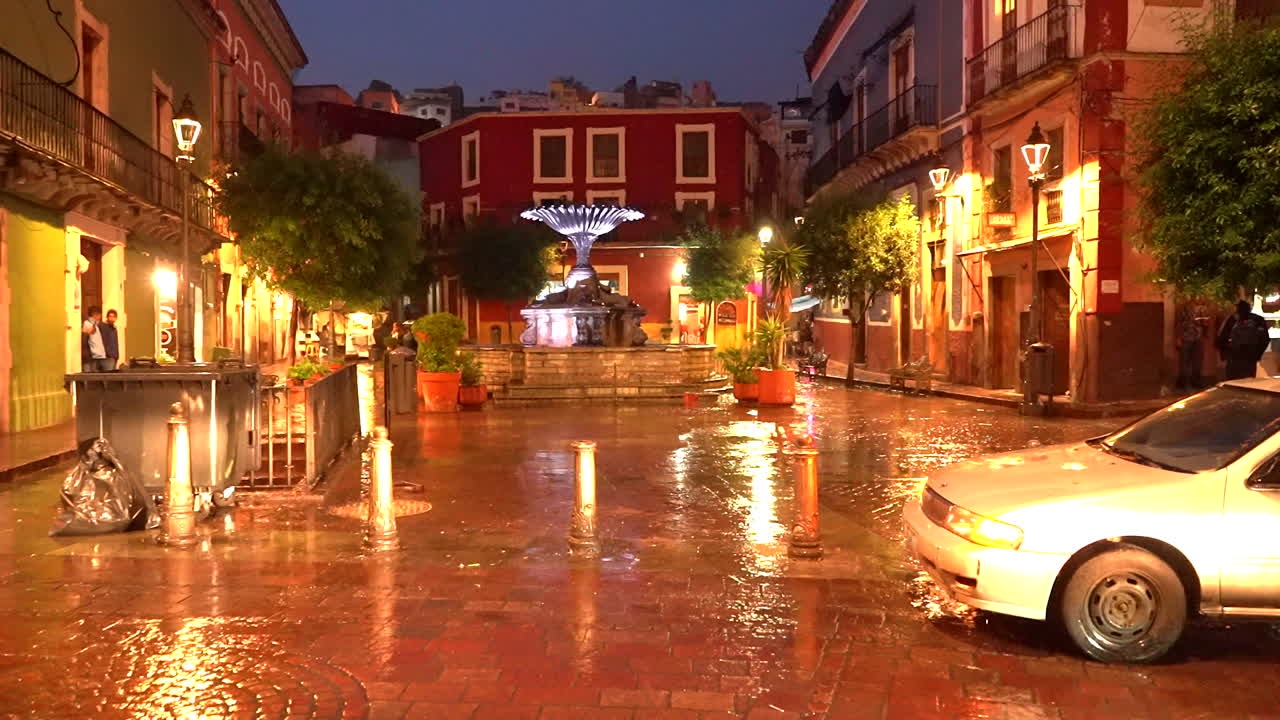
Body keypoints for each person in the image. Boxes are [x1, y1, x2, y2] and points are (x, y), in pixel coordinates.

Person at [1216, 300, 1271, 380]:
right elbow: (1265, 339)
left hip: (1233, 358)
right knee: (1248, 382)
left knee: (1233, 383)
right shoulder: (1258, 320)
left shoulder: (1232, 319)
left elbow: (1221, 339)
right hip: (1250, 357)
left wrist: (1224, 356)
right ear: (1249, 308)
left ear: (1237, 309)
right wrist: (1257, 355)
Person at [1175, 307, 1204, 390]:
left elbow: (1204, 323)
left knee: (1197, 361)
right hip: (1186, 338)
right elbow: (1178, 324)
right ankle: (1183, 381)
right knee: (1184, 361)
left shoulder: (1201, 309)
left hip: (1197, 338)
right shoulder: (1184, 310)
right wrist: (1178, 338)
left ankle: (1195, 381)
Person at [81, 306, 111, 372]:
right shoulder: (87, 323)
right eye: (99, 315)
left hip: (100, 355)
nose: (100, 317)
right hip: (93, 355)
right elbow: (90, 332)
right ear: (95, 314)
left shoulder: (98, 325)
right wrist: (94, 323)